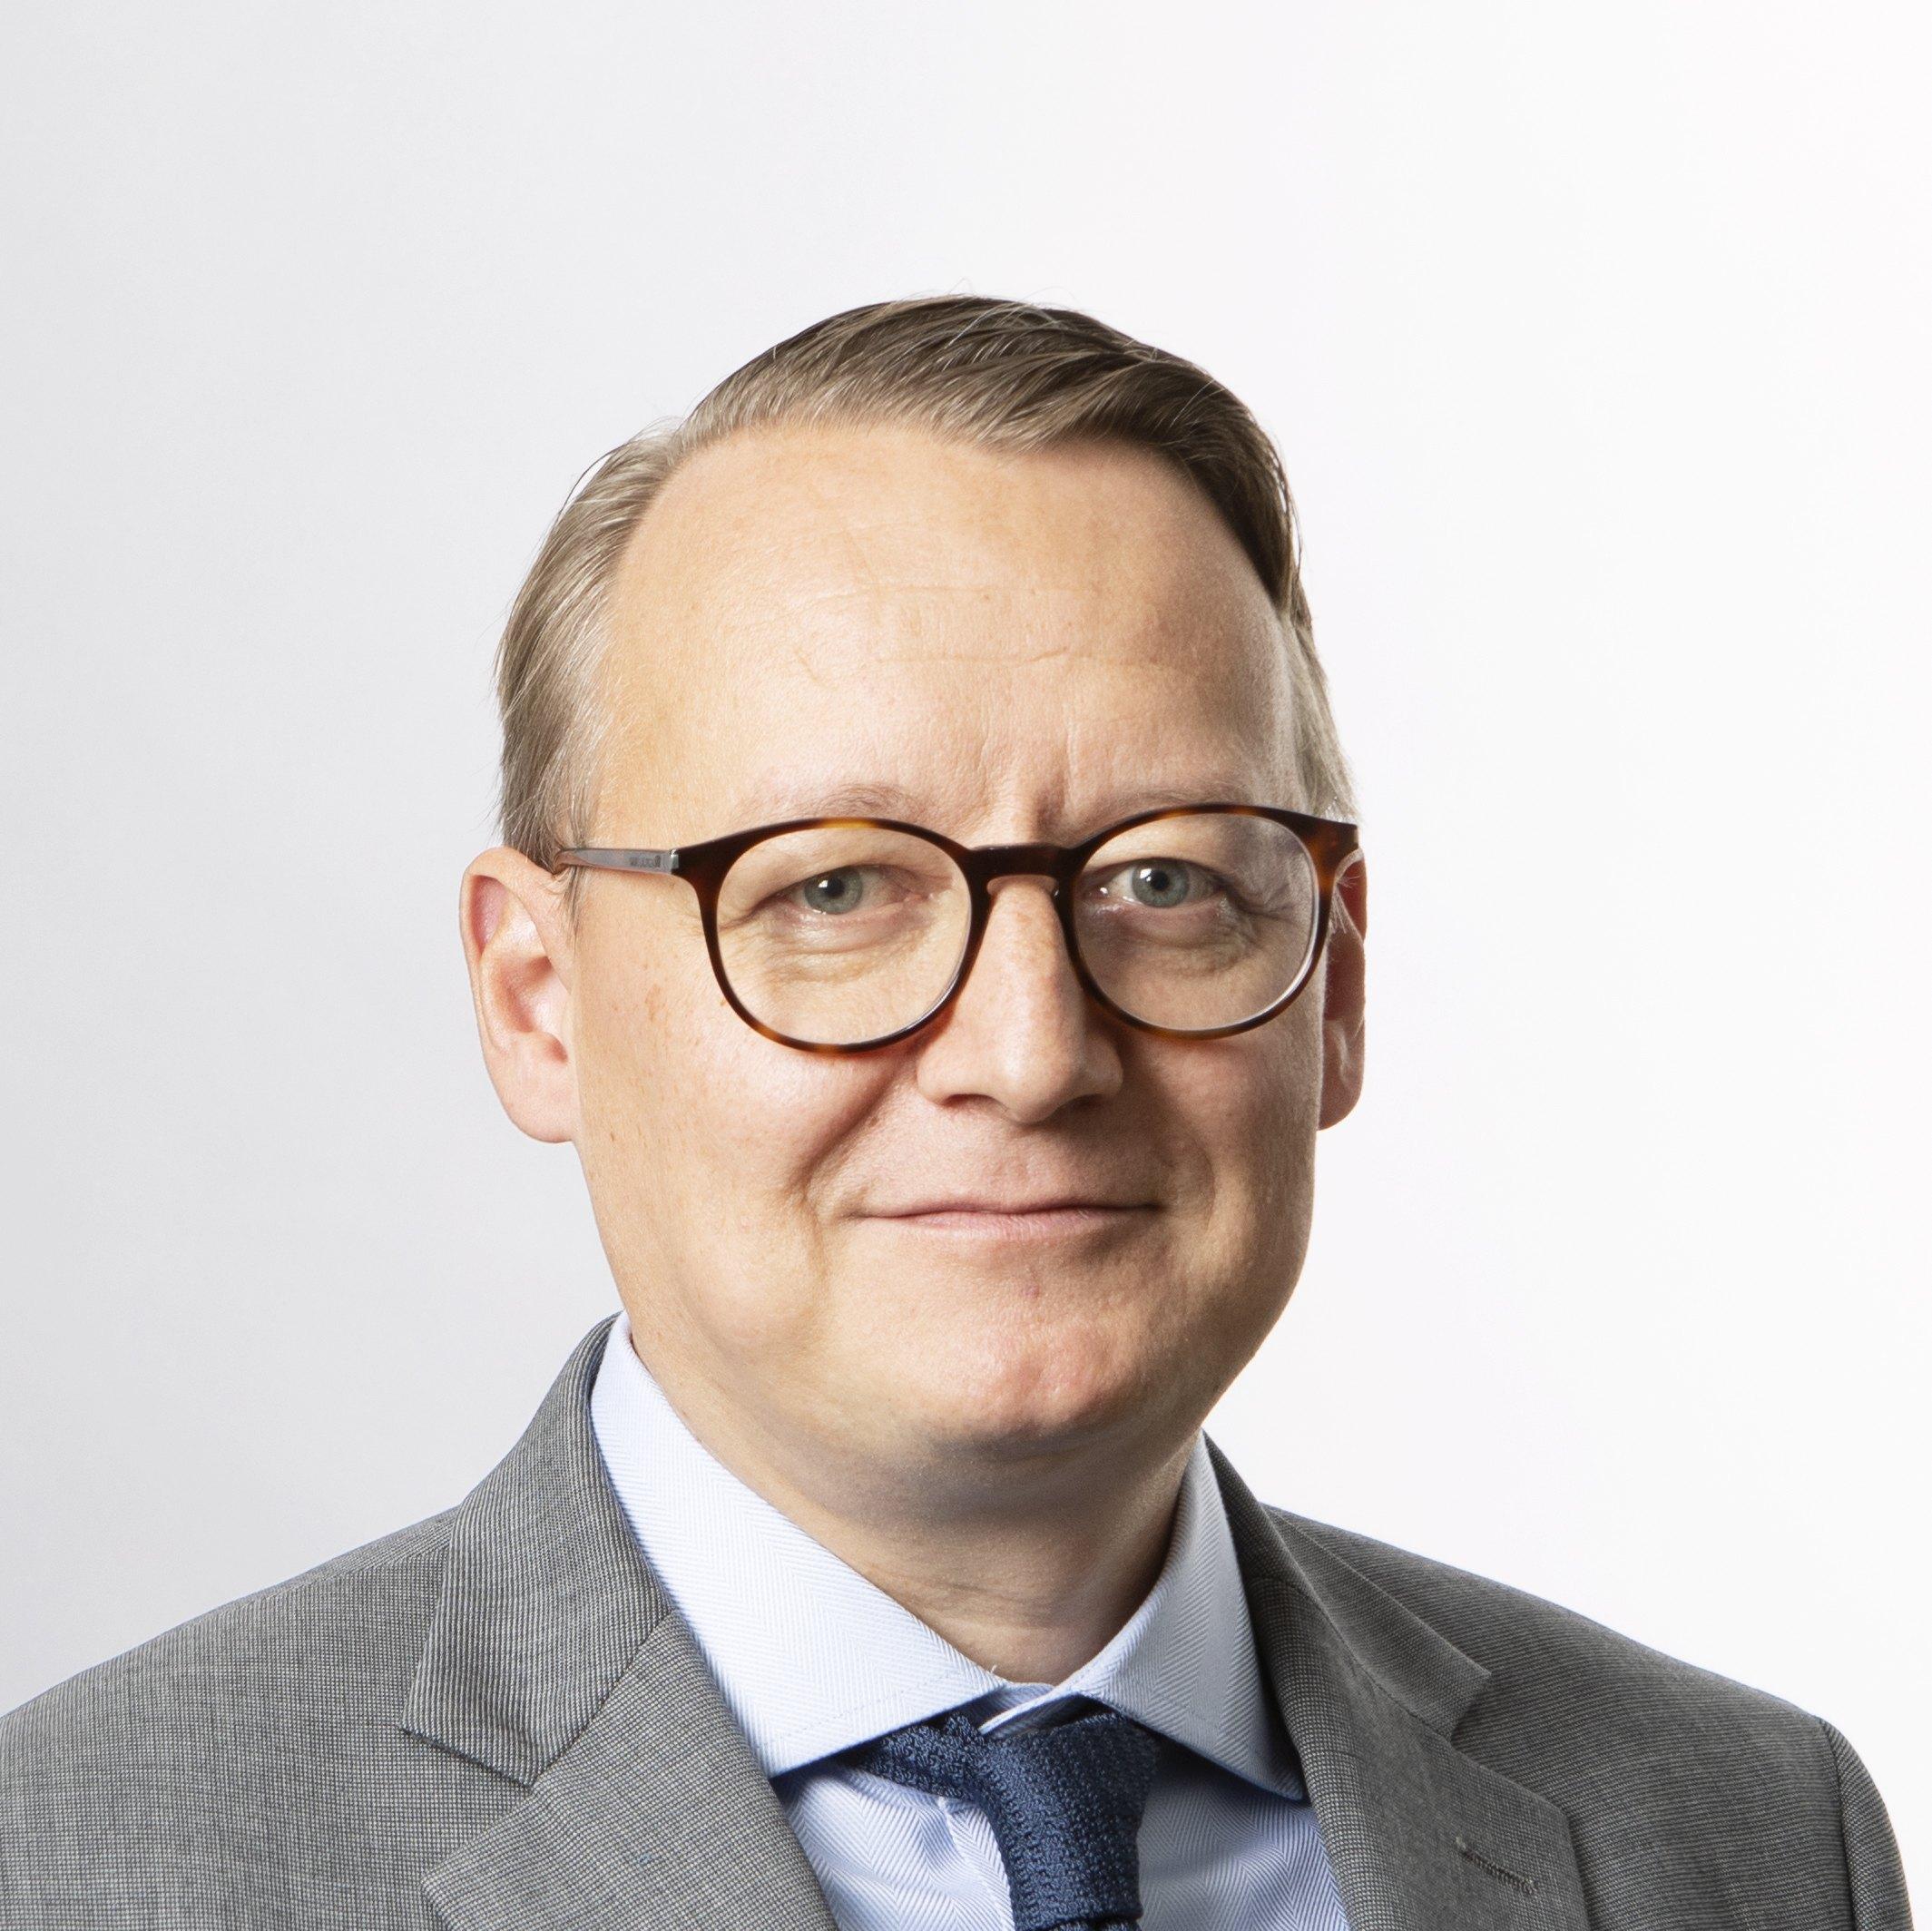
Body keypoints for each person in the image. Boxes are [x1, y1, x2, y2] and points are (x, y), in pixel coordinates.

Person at [0, 295, 1911, 1931]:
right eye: (833, 887)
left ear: (1332, 984)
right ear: (536, 998)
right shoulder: (82, 1865)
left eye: (1165, 879)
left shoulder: (1746, 1838)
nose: (1029, 1049)